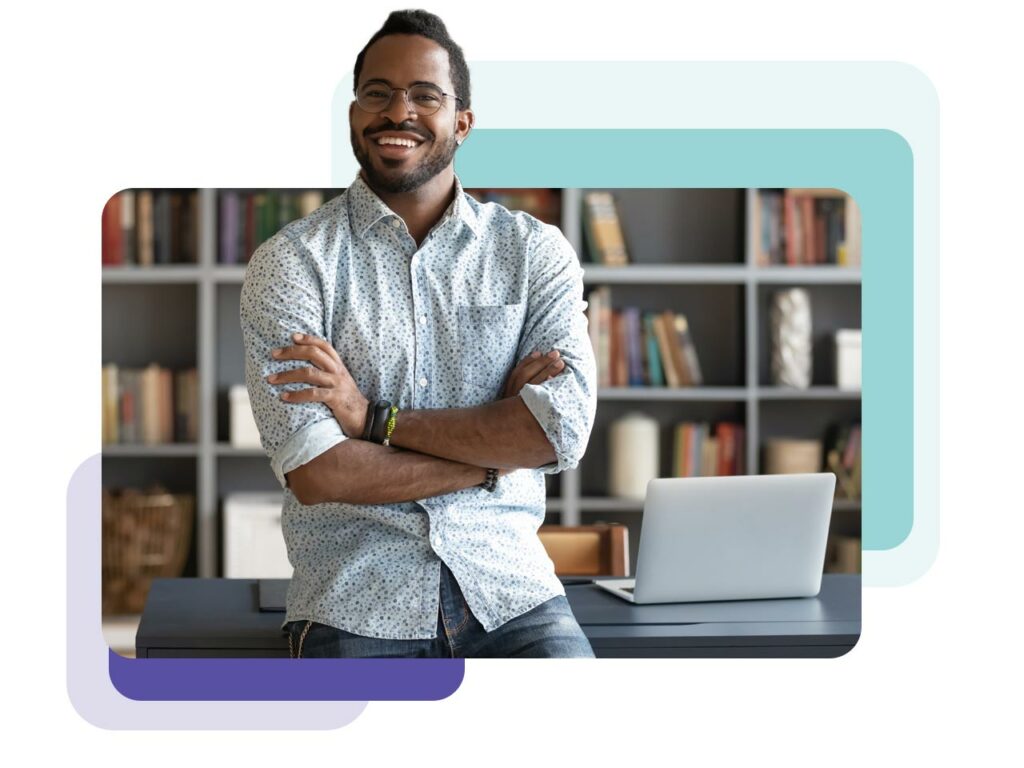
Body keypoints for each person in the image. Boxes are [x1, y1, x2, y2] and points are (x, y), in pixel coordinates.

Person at [240, 9, 597, 658]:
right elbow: (320, 471)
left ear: (462, 122)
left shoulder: (535, 254)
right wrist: (497, 457)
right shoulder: (291, 264)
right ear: (353, 115)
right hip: (355, 605)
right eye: (377, 92)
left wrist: (372, 419)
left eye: (425, 95)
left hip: (513, 598)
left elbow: (559, 431)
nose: (397, 111)